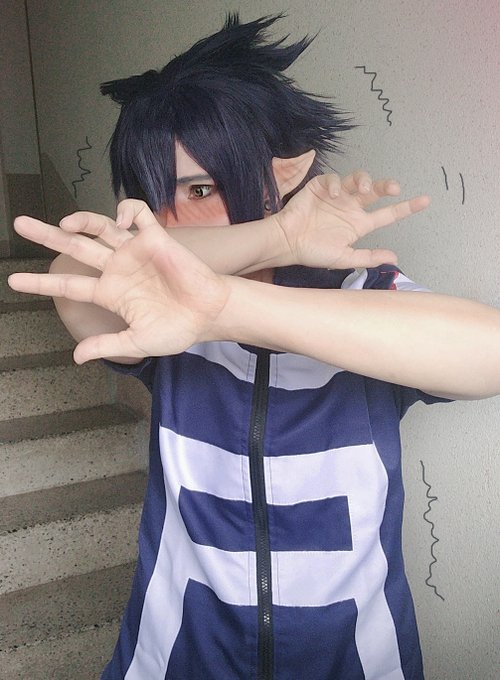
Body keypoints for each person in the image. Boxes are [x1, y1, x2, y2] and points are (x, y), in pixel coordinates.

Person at [8, 14, 500, 680]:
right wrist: (277, 238)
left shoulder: (360, 294)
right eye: (153, 198)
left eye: (202, 188)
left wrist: (228, 306)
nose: (171, 222)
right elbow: (84, 281)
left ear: (282, 176)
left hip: (357, 658)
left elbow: (488, 352)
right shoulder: (153, 312)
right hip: (174, 654)